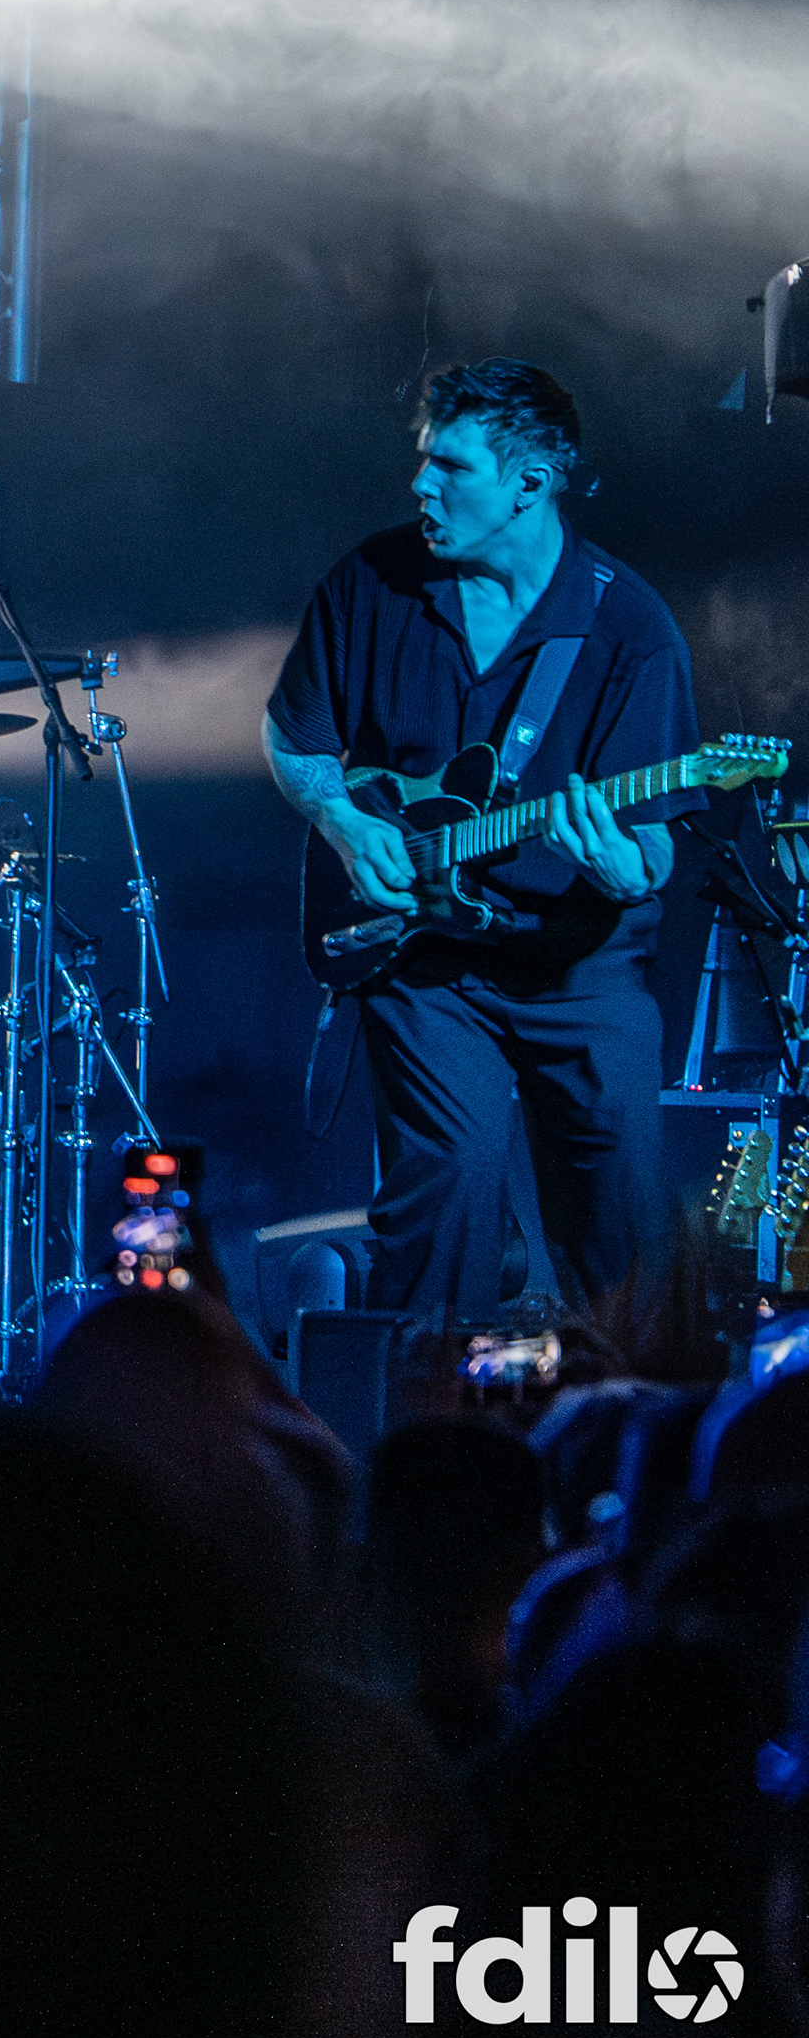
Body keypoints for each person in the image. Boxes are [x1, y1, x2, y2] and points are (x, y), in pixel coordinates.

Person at [264, 360, 699, 1331]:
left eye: (451, 466)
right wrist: (344, 821)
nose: (421, 485)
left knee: (627, 1228)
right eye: (424, 460)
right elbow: (294, 741)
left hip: (582, 967)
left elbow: (653, 850)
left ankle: (633, 1411)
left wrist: (623, 869)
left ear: (529, 483)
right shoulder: (371, 583)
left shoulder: (632, 630)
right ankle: (430, 1410)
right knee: (444, 1196)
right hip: (429, 965)